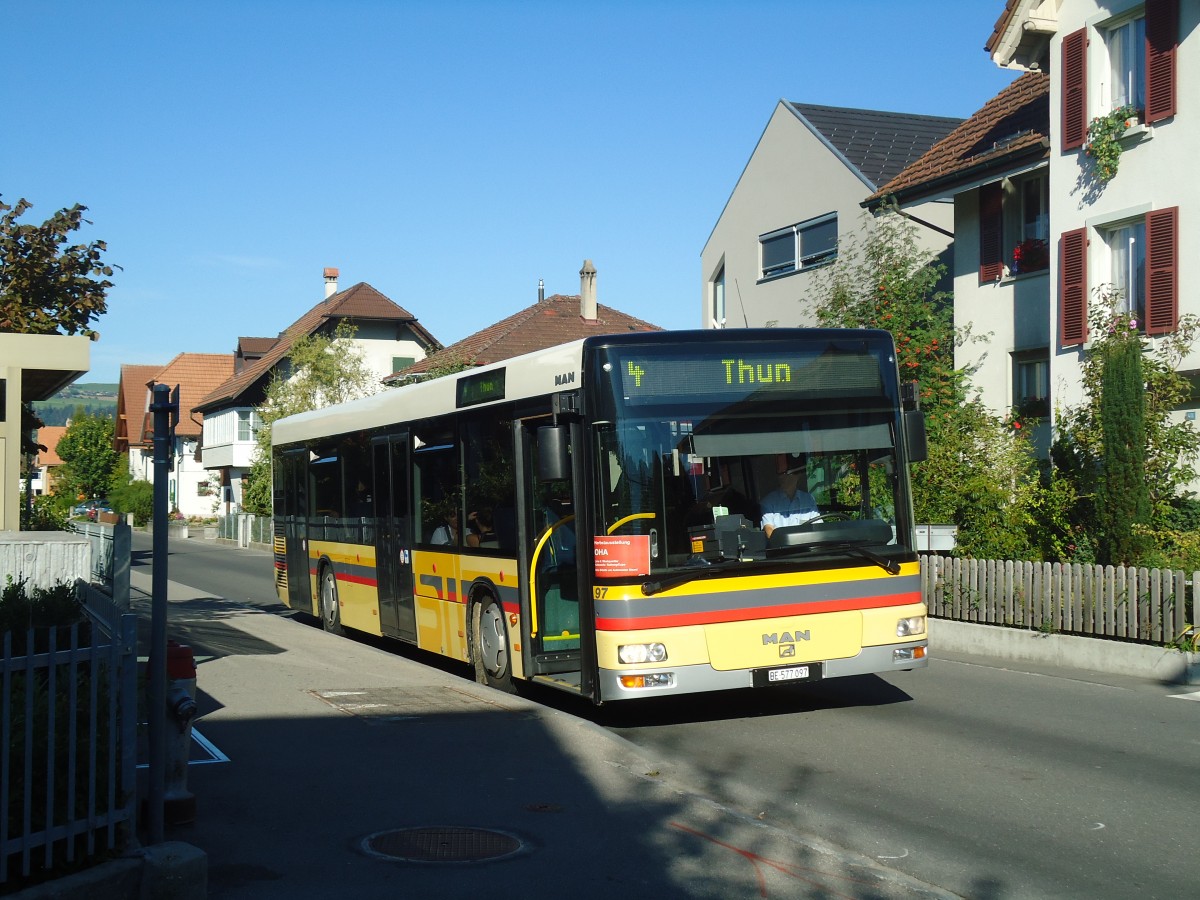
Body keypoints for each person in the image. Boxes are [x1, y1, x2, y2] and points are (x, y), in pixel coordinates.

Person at [760, 461, 819, 537]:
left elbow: (818, 528)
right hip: (782, 548)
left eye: (786, 473)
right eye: (780, 474)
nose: (781, 477)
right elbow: (769, 531)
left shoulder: (808, 500)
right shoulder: (768, 502)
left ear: (798, 475)